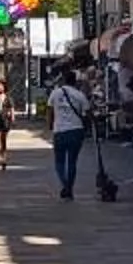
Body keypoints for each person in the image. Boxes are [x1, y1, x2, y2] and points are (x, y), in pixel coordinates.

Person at [48, 60, 93, 202]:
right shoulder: (80, 95)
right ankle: (69, 188)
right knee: (72, 162)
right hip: (76, 130)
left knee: (59, 162)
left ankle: (65, 185)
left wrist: (50, 125)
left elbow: (49, 112)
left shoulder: (55, 93)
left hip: (60, 131)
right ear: (76, 82)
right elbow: (87, 113)